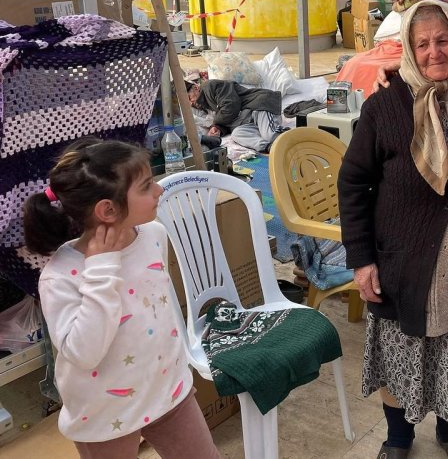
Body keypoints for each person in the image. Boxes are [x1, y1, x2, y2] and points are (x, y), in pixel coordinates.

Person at [338, 0, 448, 459]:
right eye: (422, 43)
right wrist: (361, 259)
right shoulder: (385, 105)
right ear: (409, 51)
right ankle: (398, 438)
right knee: (401, 351)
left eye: (443, 40)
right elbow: (354, 183)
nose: (434, 52)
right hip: (405, 256)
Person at [23, 138, 219, 459]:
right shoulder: (60, 276)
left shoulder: (154, 235)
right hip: (103, 414)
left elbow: (157, 311)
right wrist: (101, 268)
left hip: (168, 392)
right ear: (108, 209)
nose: (159, 190)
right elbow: (84, 354)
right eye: (146, 186)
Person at [186, 78, 287, 152]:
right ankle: (269, 147)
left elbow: (231, 106)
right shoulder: (203, 105)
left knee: (270, 135)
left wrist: (215, 123)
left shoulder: (210, 86)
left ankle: (294, 136)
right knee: (237, 134)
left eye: (189, 98)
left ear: (196, 88)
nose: (190, 103)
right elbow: (227, 119)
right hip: (247, 120)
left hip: (259, 107)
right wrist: (218, 128)